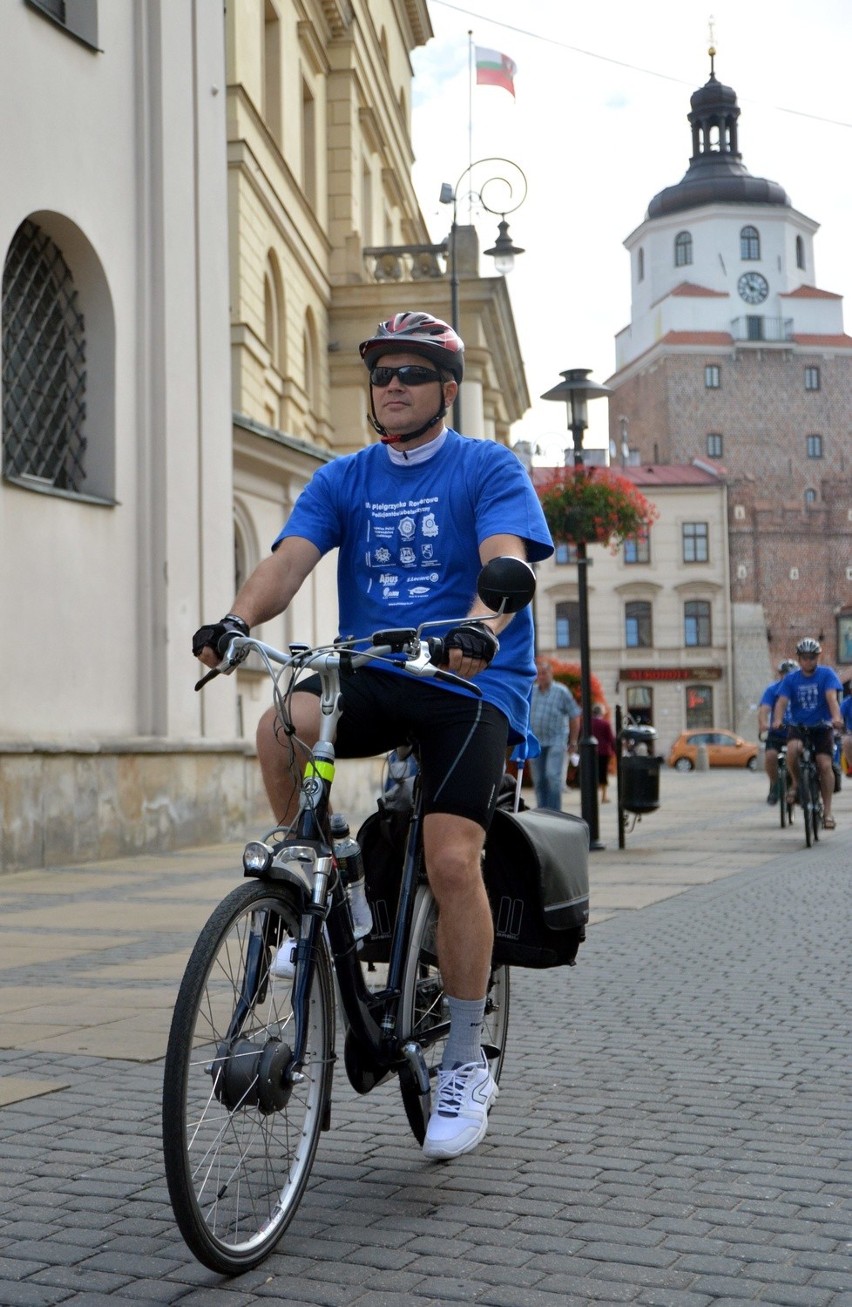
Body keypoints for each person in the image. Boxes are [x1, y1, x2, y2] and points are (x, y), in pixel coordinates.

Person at [193, 311, 553, 1161]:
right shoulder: (346, 476)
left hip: (470, 680)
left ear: (446, 391)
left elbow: (508, 558)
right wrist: (237, 618)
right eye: (382, 374)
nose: (392, 386)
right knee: (280, 726)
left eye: (412, 374)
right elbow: (288, 559)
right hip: (376, 672)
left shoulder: (486, 466)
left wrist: (480, 625)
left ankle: (465, 1060)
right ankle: (332, 890)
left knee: (451, 857)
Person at [771, 637, 843, 829]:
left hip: (822, 727)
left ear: (817, 657)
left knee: (824, 764)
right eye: (804, 657)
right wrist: (777, 720)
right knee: (792, 749)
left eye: (812, 657)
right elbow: (782, 702)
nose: (808, 661)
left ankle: (827, 811)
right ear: (799, 658)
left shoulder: (827, 674)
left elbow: (831, 698)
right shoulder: (791, 679)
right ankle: (795, 784)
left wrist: (836, 717)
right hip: (799, 726)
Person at [528, 659, 581, 810]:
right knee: (538, 780)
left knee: (552, 776)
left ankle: (555, 813)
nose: (541, 677)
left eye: (544, 673)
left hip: (556, 740)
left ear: (551, 673)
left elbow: (575, 715)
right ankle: (542, 811)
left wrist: (573, 741)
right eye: (539, 674)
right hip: (536, 742)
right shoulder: (532, 692)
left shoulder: (561, 691)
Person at [758, 658, 797, 804]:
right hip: (777, 732)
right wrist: (763, 723)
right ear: (780, 675)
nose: (787, 676)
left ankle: (795, 786)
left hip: (795, 732)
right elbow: (764, 709)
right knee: (770, 757)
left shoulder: (799, 689)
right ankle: (775, 784)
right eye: (784, 673)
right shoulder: (772, 689)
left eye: (791, 674)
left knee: (801, 759)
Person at [590, 703, 617, 804]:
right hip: (604, 751)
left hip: (591, 752)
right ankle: (604, 796)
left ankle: (592, 796)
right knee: (603, 773)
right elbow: (610, 738)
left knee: (592, 773)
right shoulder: (605, 724)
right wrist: (615, 750)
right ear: (601, 712)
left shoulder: (588, 723)